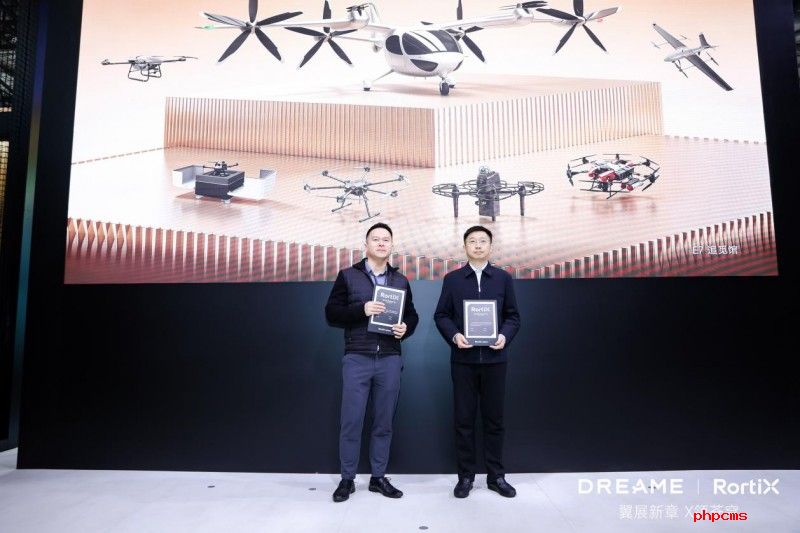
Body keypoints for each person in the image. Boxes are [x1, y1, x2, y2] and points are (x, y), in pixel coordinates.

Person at [325, 222, 419, 503]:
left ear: (392, 245)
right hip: (357, 357)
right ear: (365, 245)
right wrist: (361, 309)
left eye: (385, 239)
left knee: (384, 423)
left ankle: (378, 478)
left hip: (389, 358)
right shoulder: (347, 276)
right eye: (375, 239)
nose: (380, 243)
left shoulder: (400, 280)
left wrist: (406, 328)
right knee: (351, 422)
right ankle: (347, 479)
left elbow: (412, 315)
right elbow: (331, 313)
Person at [434, 225, 521, 498]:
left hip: (495, 361)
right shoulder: (453, 279)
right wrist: (455, 335)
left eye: (483, 241)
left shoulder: (503, 278)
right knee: (464, 421)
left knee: (494, 421)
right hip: (463, 361)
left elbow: (513, 316)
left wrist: (504, 336)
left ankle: (496, 476)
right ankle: (466, 477)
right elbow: (441, 315)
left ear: (491, 246)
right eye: (472, 241)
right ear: (465, 247)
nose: (478, 245)